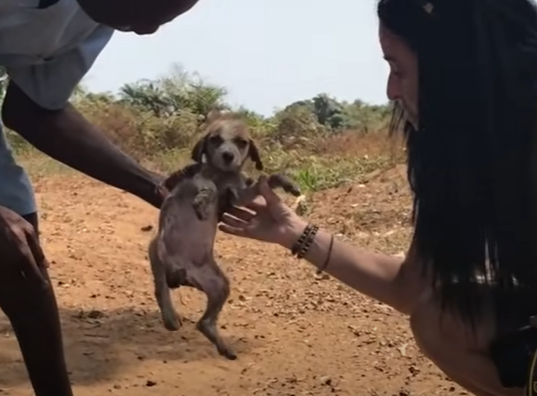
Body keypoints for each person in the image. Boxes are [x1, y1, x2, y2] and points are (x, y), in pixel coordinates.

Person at [220, 1, 537, 395]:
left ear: (453, 62)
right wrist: (292, 231)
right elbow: (411, 288)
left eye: (398, 68)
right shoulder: (459, 156)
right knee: (441, 321)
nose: (390, 90)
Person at [0, 0, 199, 395]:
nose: (148, 31)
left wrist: (156, 187)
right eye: (156, 8)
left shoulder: (100, 15)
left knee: (17, 236)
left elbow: (34, 110)